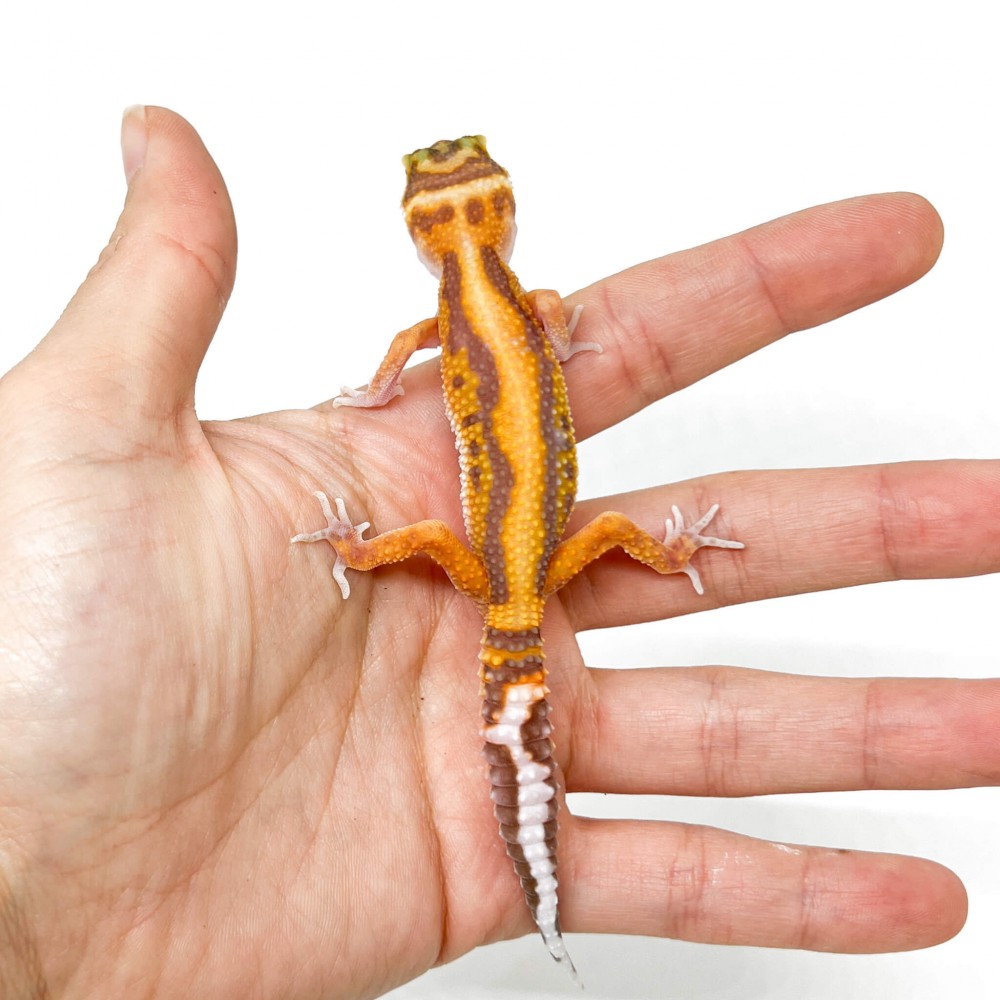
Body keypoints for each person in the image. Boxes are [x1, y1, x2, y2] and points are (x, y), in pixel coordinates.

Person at [0, 106, 993, 999]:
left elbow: (400, 354)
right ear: (499, 215)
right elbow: (558, 317)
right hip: (533, 567)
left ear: (422, 228)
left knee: (430, 546)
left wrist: (378, 399)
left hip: (503, 570)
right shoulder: (532, 304)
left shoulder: (437, 323)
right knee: (594, 539)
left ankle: (391, 598)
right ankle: (552, 833)